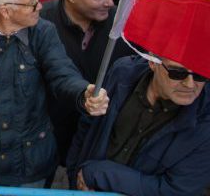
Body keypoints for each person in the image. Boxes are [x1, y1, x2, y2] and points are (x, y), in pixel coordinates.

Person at [0, 0, 110, 187]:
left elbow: (62, 73)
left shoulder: (43, 31)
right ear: (6, 11)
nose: (39, 6)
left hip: (31, 166)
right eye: (31, 3)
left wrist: (83, 92)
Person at [67, 55, 210, 194]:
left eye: (200, 73)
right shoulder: (122, 73)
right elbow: (88, 125)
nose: (190, 84)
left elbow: (177, 190)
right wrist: (74, 173)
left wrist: (98, 174)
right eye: (177, 73)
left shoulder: (205, 124)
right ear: (153, 62)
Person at [40, 0, 131, 160]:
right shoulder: (40, 22)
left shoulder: (123, 24)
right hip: (47, 134)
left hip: (98, 135)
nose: (109, 2)